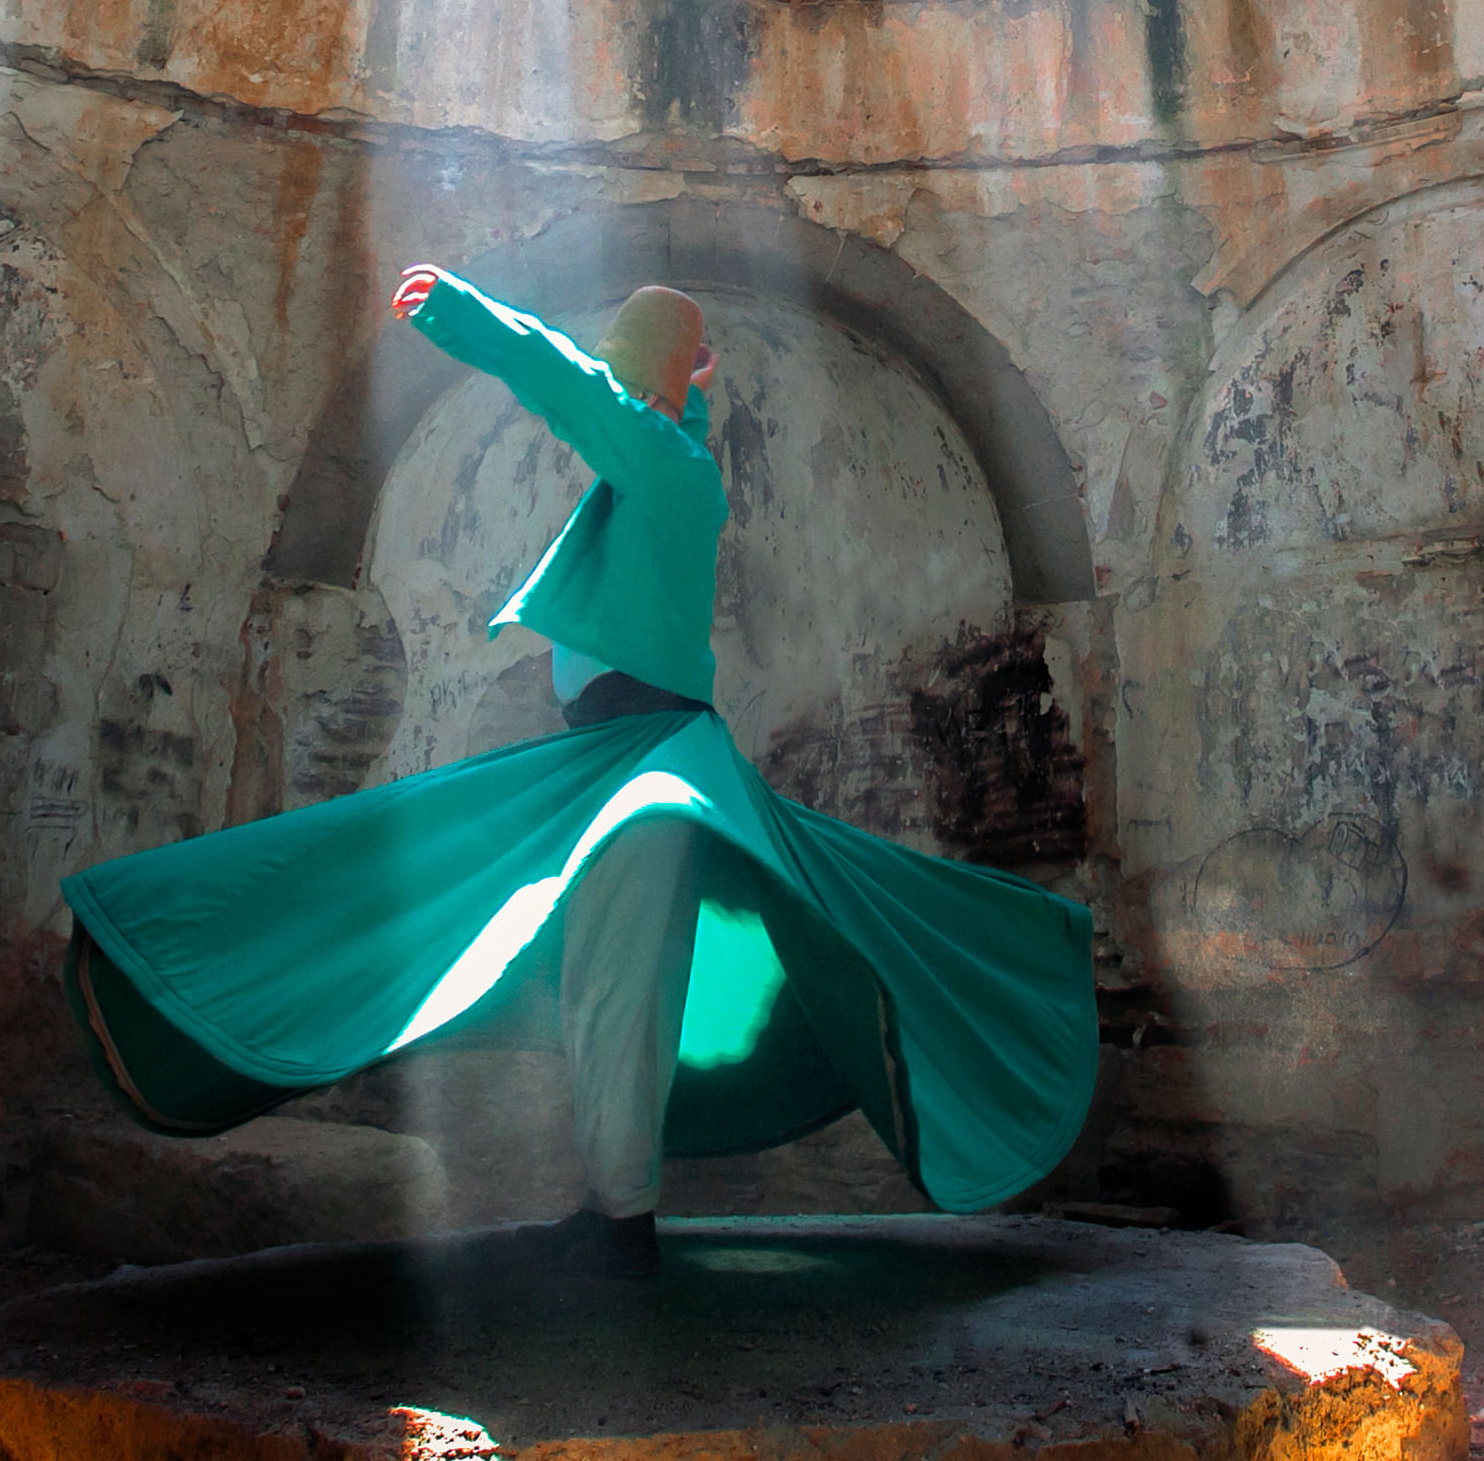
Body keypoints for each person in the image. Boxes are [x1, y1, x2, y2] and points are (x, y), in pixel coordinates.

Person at [58, 263, 1094, 1277]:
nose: (620, 388)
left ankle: (621, 1223)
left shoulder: (661, 462)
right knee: (608, 984)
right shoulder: (665, 464)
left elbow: (565, 382)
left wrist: (462, 314)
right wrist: (681, 383)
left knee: (616, 987)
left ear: (640, 380)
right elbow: (618, 404)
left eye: (631, 373)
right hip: (621, 757)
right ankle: (617, 1213)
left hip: (649, 759)